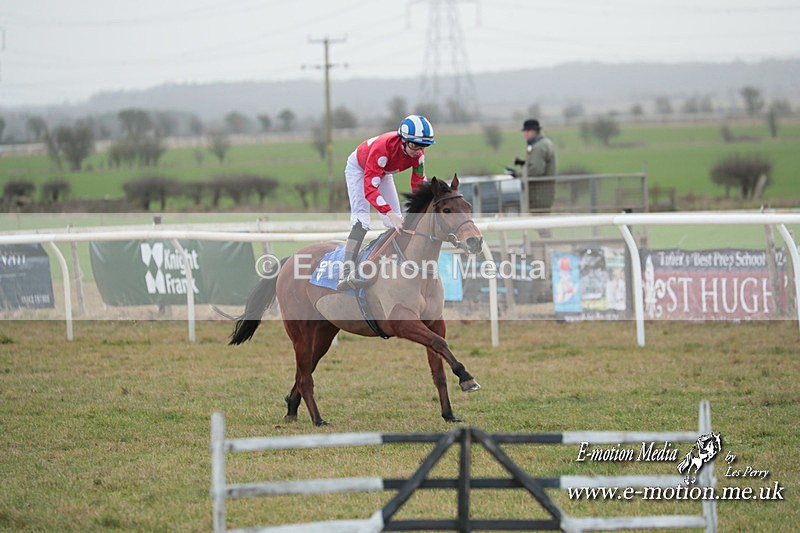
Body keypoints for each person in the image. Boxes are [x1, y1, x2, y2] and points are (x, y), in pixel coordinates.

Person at [337, 114, 435, 290]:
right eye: (413, 145)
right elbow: (370, 190)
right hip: (359, 169)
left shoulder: (419, 155)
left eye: (423, 146)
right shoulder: (383, 149)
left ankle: (392, 265)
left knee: (395, 223)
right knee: (362, 222)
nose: (417, 150)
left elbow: (419, 184)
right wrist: (389, 212)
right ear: (403, 140)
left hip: (383, 172)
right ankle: (346, 273)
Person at [513, 118, 557, 214]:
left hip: (539, 194)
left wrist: (519, 175)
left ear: (533, 131)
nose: (524, 134)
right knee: (542, 224)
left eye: (526, 131)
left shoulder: (538, 147)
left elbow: (536, 170)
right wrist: (524, 163)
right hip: (545, 193)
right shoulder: (544, 143)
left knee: (541, 224)